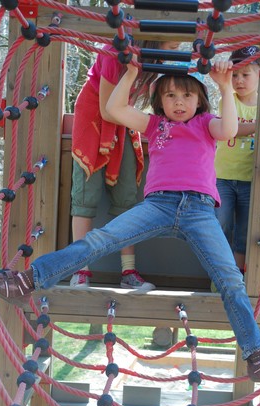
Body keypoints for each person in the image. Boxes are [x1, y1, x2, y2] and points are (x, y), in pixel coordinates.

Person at [0, 59, 260, 387]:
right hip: (158, 205)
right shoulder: (155, 126)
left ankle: (257, 358)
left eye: (186, 96)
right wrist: (131, 73)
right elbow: (115, 108)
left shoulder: (206, 124)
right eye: (169, 96)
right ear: (158, 101)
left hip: (199, 210)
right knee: (100, 240)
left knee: (230, 281)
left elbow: (229, 130)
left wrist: (224, 85)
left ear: (199, 100)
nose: (178, 102)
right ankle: (28, 280)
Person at [70, 39, 180, 291]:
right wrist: (153, 126)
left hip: (123, 115)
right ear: (153, 37)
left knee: (127, 192)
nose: (177, 51)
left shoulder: (154, 60)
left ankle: (129, 270)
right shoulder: (115, 54)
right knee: (86, 191)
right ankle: (80, 268)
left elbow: (155, 101)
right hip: (97, 115)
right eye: (173, 46)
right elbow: (108, 111)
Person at [215, 46, 260, 276]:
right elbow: (232, 130)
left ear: (259, 74)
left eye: (245, 74)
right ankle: (220, 274)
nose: (239, 80)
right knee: (221, 225)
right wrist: (259, 126)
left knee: (244, 232)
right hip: (223, 176)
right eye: (234, 75)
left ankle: (236, 276)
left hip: (250, 179)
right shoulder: (228, 100)